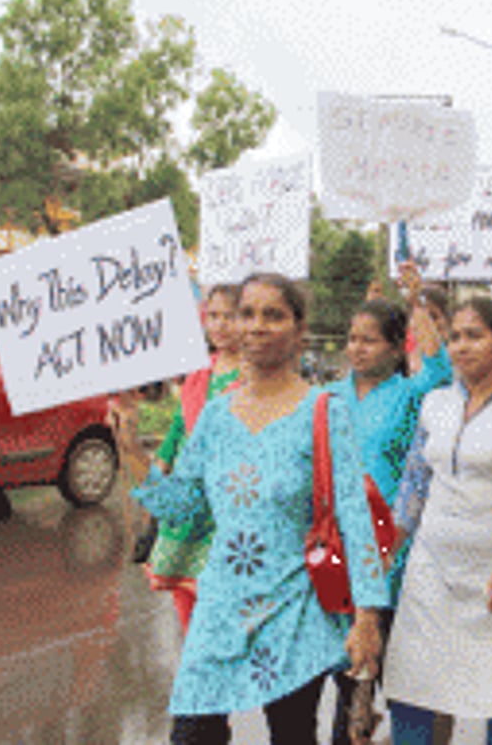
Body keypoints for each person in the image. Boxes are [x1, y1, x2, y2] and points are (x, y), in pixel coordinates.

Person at [132, 273, 388, 745]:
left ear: (299, 328)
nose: (256, 326)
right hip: (219, 606)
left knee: (292, 735)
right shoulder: (215, 415)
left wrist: (368, 618)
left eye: (273, 315)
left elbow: (354, 517)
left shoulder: (322, 411)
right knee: (191, 734)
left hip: (293, 607)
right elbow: (184, 505)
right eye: (247, 314)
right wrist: (130, 450)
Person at [383, 297, 492, 745]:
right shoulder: (434, 404)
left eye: (475, 336)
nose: (462, 346)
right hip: (431, 569)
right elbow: (413, 486)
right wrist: (384, 552)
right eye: (456, 337)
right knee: (413, 683)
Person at [325, 263, 452, 745]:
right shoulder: (328, 397)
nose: (357, 348)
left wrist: (416, 302)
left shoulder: (410, 394)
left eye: (370, 340)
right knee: (347, 676)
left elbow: (439, 369)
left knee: (401, 672)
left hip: (393, 549)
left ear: (397, 348)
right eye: (352, 339)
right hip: (337, 549)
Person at [142, 285, 242, 635]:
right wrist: (160, 468)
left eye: (229, 316)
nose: (220, 325)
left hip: (227, 506)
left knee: (224, 608)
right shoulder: (199, 374)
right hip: (187, 507)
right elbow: (178, 427)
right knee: (186, 606)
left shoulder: (254, 379)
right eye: (213, 316)